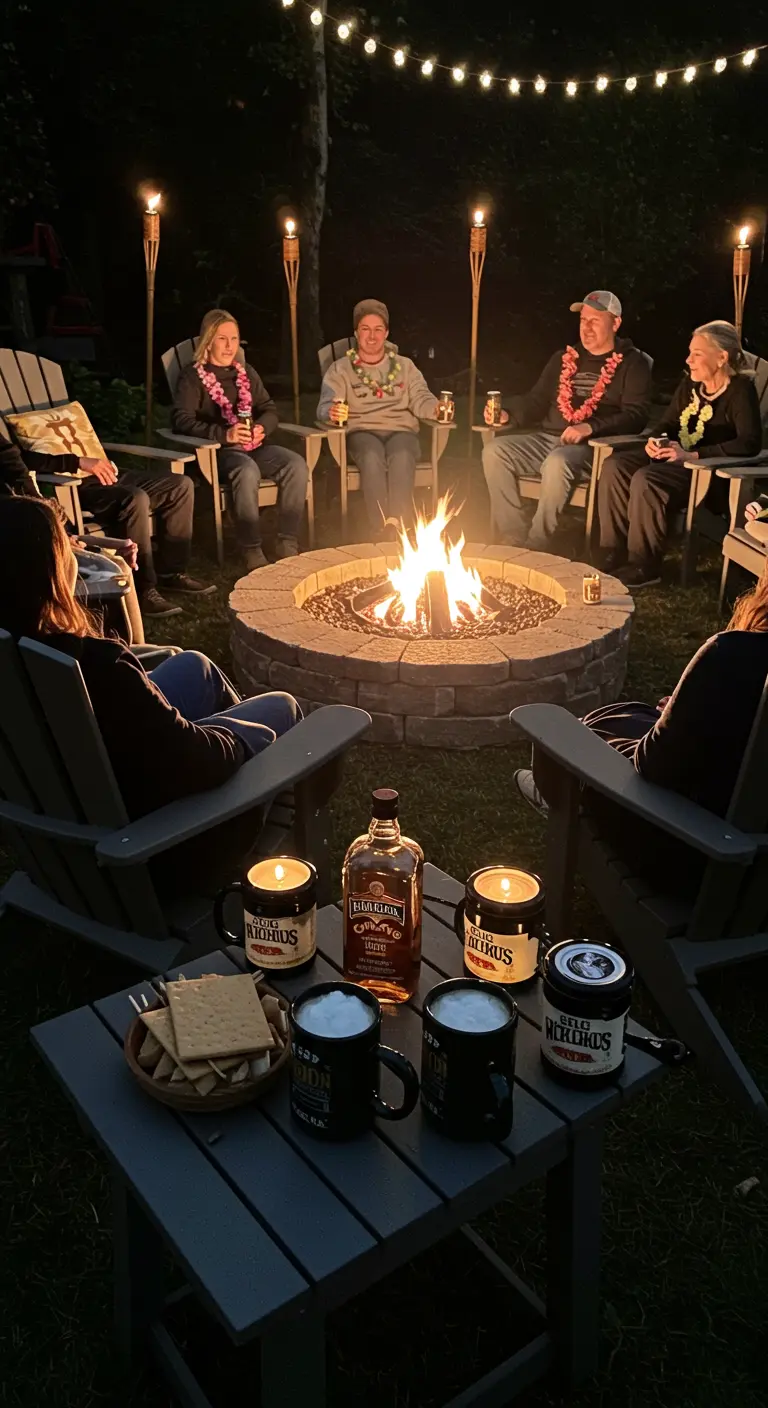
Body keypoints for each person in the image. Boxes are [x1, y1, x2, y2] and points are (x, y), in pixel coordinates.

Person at [0, 496, 301, 888]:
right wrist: (238, 740)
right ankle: (253, 809)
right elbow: (195, 760)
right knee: (279, 710)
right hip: (147, 845)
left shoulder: (22, 657)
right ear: (51, 568)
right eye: (66, 542)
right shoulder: (96, 666)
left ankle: (251, 793)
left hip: (74, 805)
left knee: (197, 667)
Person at [514, 561, 768, 895]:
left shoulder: (732, 657)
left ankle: (559, 791)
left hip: (697, 858)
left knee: (576, 735)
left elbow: (653, 770)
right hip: (752, 859)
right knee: (627, 714)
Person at [598, 320, 762, 588]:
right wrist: (656, 441)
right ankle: (611, 551)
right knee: (616, 464)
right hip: (675, 459)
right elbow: (668, 424)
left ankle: (644, 565)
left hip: (709, 474)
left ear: (721, 357)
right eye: (690, 352)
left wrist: (693, 456)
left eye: (697, 354)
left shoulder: (740, 390)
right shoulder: (690, 385)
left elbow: (750, 443)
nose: (689, 360)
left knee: (646, 478)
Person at [482, 291, 652, 550]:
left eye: (595, 320)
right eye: (583, 320)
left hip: (591, 448)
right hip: (547, 439)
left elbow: (636, 416)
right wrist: (510, 415)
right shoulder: (563, 358)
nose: (586, 327)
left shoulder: (634, 363)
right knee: (494, 451)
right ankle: (512, 535)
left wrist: (590, 427)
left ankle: (537, 544)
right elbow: (536, 400)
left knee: (557, 462)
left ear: (615, 323)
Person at [4, 421, 214, 618]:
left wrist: (96, 461)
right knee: (135, 499)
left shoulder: (64, 411)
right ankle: (144, 589)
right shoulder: (12, 437)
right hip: (78, 484)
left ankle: (171, 573)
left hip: (108, 474)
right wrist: (77, 461)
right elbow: (22, 459)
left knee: (180, 485)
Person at [171, 309, 308, 571]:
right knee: (246, 470)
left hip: (255, 447)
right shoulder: (192, 376)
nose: (229, 346)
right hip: (218, 453)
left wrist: (262, 428)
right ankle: (251, 547)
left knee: (295, 464)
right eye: (222, 339)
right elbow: (181, 420)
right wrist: (224, 435)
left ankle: (287, 541)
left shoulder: (245, 372)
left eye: (234, 339)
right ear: (208, 340)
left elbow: (269, 408)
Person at [317, 299, 439, 535]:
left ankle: (399, 528)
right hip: (362, 431)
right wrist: (331, 412)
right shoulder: (340, 369)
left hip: (401, 431)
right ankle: (381, 529)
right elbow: (325, 405)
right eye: (365, 329)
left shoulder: (405, 366)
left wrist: (436, 408)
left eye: (378, 329)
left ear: (386, 334)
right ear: (356, 333)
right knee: (372, 455)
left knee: (402, 453)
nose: (371, 336)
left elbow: (421, 397)